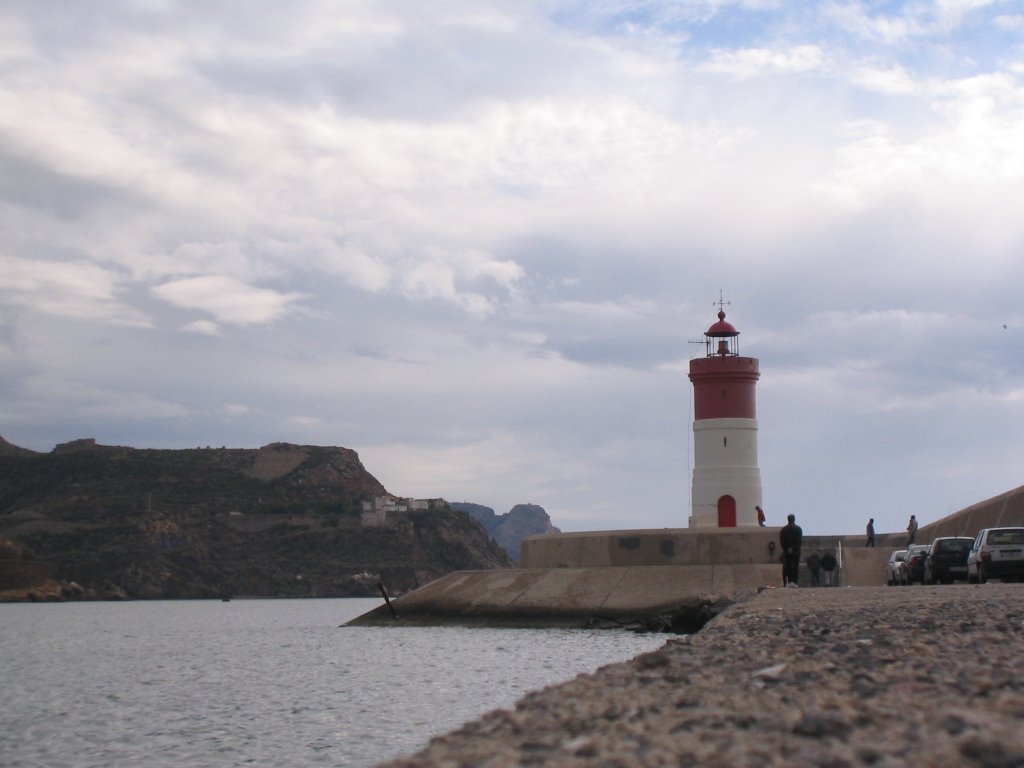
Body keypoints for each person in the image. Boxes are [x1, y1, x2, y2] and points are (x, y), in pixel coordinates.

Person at [779, 514, 803, 586]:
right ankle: (795, 582)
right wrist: (793, 548)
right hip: (796, 551)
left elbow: (781, 540)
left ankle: (788, 582)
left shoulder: (784, 529)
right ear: (794, 519)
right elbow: (799, 540)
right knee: (795, 567)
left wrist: (787, 548)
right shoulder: (798, 529)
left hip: (786, 552)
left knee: (788, 567)